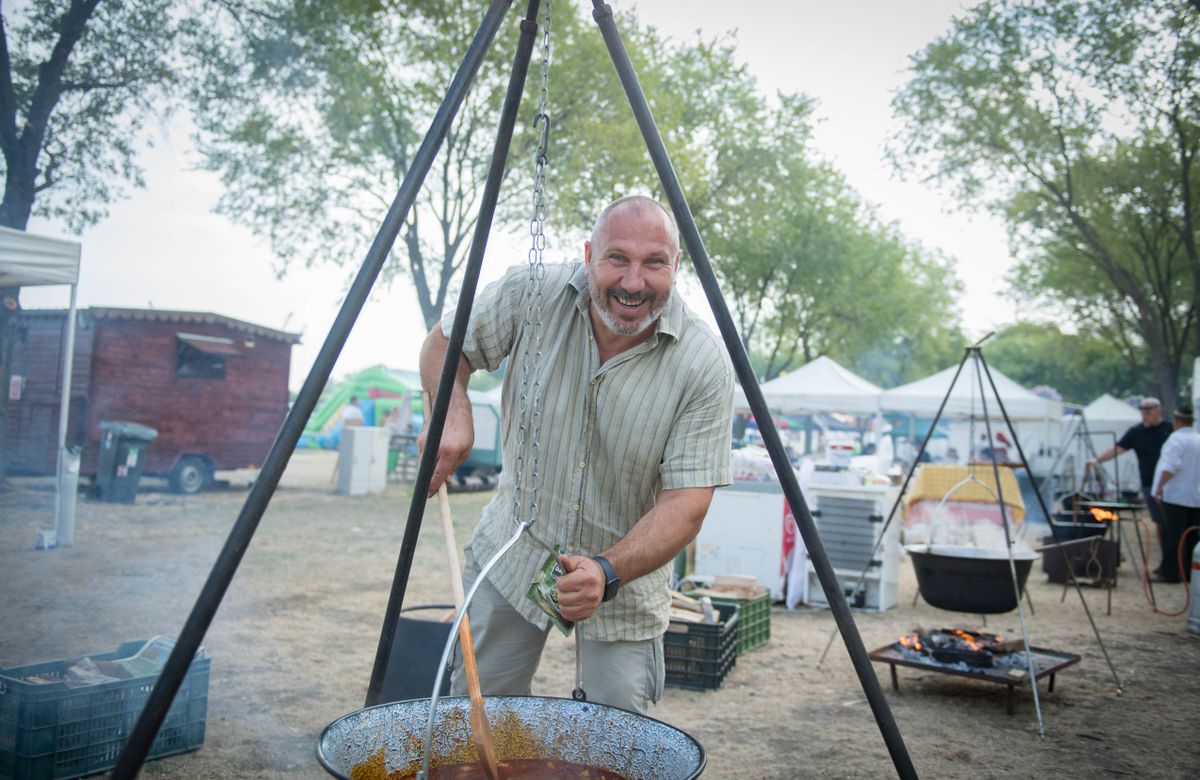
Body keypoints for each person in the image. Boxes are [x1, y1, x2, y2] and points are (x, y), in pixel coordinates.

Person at [419, 195, 734, 714]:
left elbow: (686, 503)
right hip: (515, 550)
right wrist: (451, 416)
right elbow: (444, 346)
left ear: (676, 266)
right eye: (617, 259)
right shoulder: (531, 293)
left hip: (626, 580)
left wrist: (606, 572)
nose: (633, 282)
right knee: (475, 721)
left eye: (654, 262)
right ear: (588, 256)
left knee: (616, 742)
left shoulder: (703, 363)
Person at [1089, 397, 1173, 575]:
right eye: (1143, 412)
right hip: (1150, 484)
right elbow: (1118, 448)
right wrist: (1097, 460)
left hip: (1173, 485)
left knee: (1175, 524)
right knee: (1160, 523)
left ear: (1159, 411)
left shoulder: (1170, 429)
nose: (1145, 415)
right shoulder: (1136, 432)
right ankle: (1168, 561)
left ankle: (1179, 562)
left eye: (1149, 411)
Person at [1152, 405, 1200, 583]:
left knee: (1173, 537)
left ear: (1177, 421)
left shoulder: (1176, 440)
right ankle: (1189, 572)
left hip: (1176, 497)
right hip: (1195, 497)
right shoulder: (1198, 439)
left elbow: (1170, 466)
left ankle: (1171, 572)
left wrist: (1159, 487)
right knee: (1192, 537)